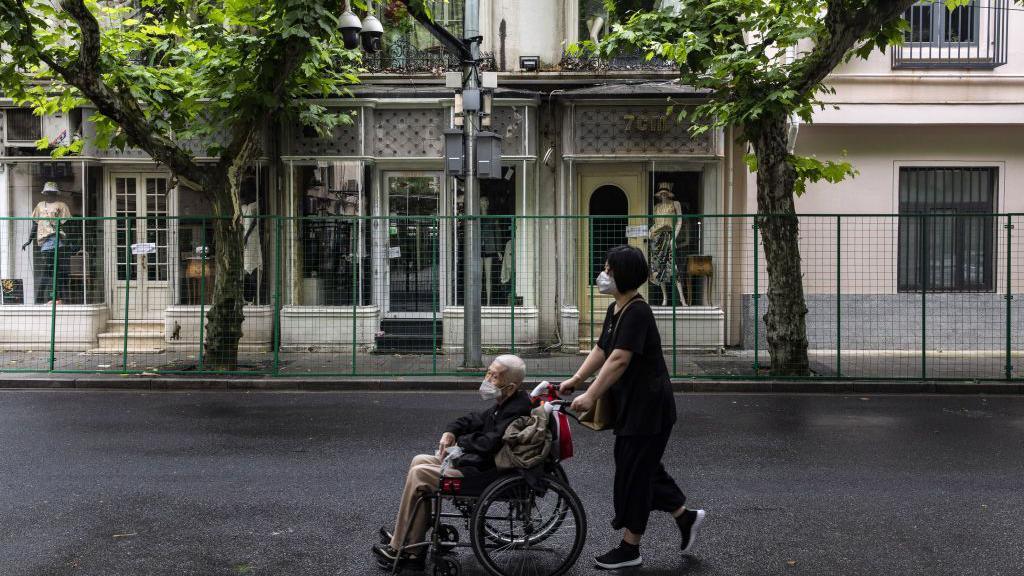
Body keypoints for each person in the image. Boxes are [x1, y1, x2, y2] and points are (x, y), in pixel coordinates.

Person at [560, 245, 706, 570]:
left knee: (634, 474)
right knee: (644, 467)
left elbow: (620, 358)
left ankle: (630, 548)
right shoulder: (617, 309)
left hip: (649, 409)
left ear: (621, 274)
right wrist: (576, 379)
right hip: (634, 407)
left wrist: (592, 395)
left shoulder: (638, 311)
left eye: (608, 269)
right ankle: (686, 517)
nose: (603, 274)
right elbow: (603, 349)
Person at [372, 354, 532, 571]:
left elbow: (489, 443)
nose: (487, 379)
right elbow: (474, 420)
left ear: (511, 387)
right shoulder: (506, 402)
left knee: (420, 474)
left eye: (494, 377)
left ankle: (407, 550)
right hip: (481, 465)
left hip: (486, 475)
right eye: (489, 372)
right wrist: (451, 431)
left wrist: (460, 444)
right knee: (419, 460)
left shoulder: (515, 410)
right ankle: (411, 533)